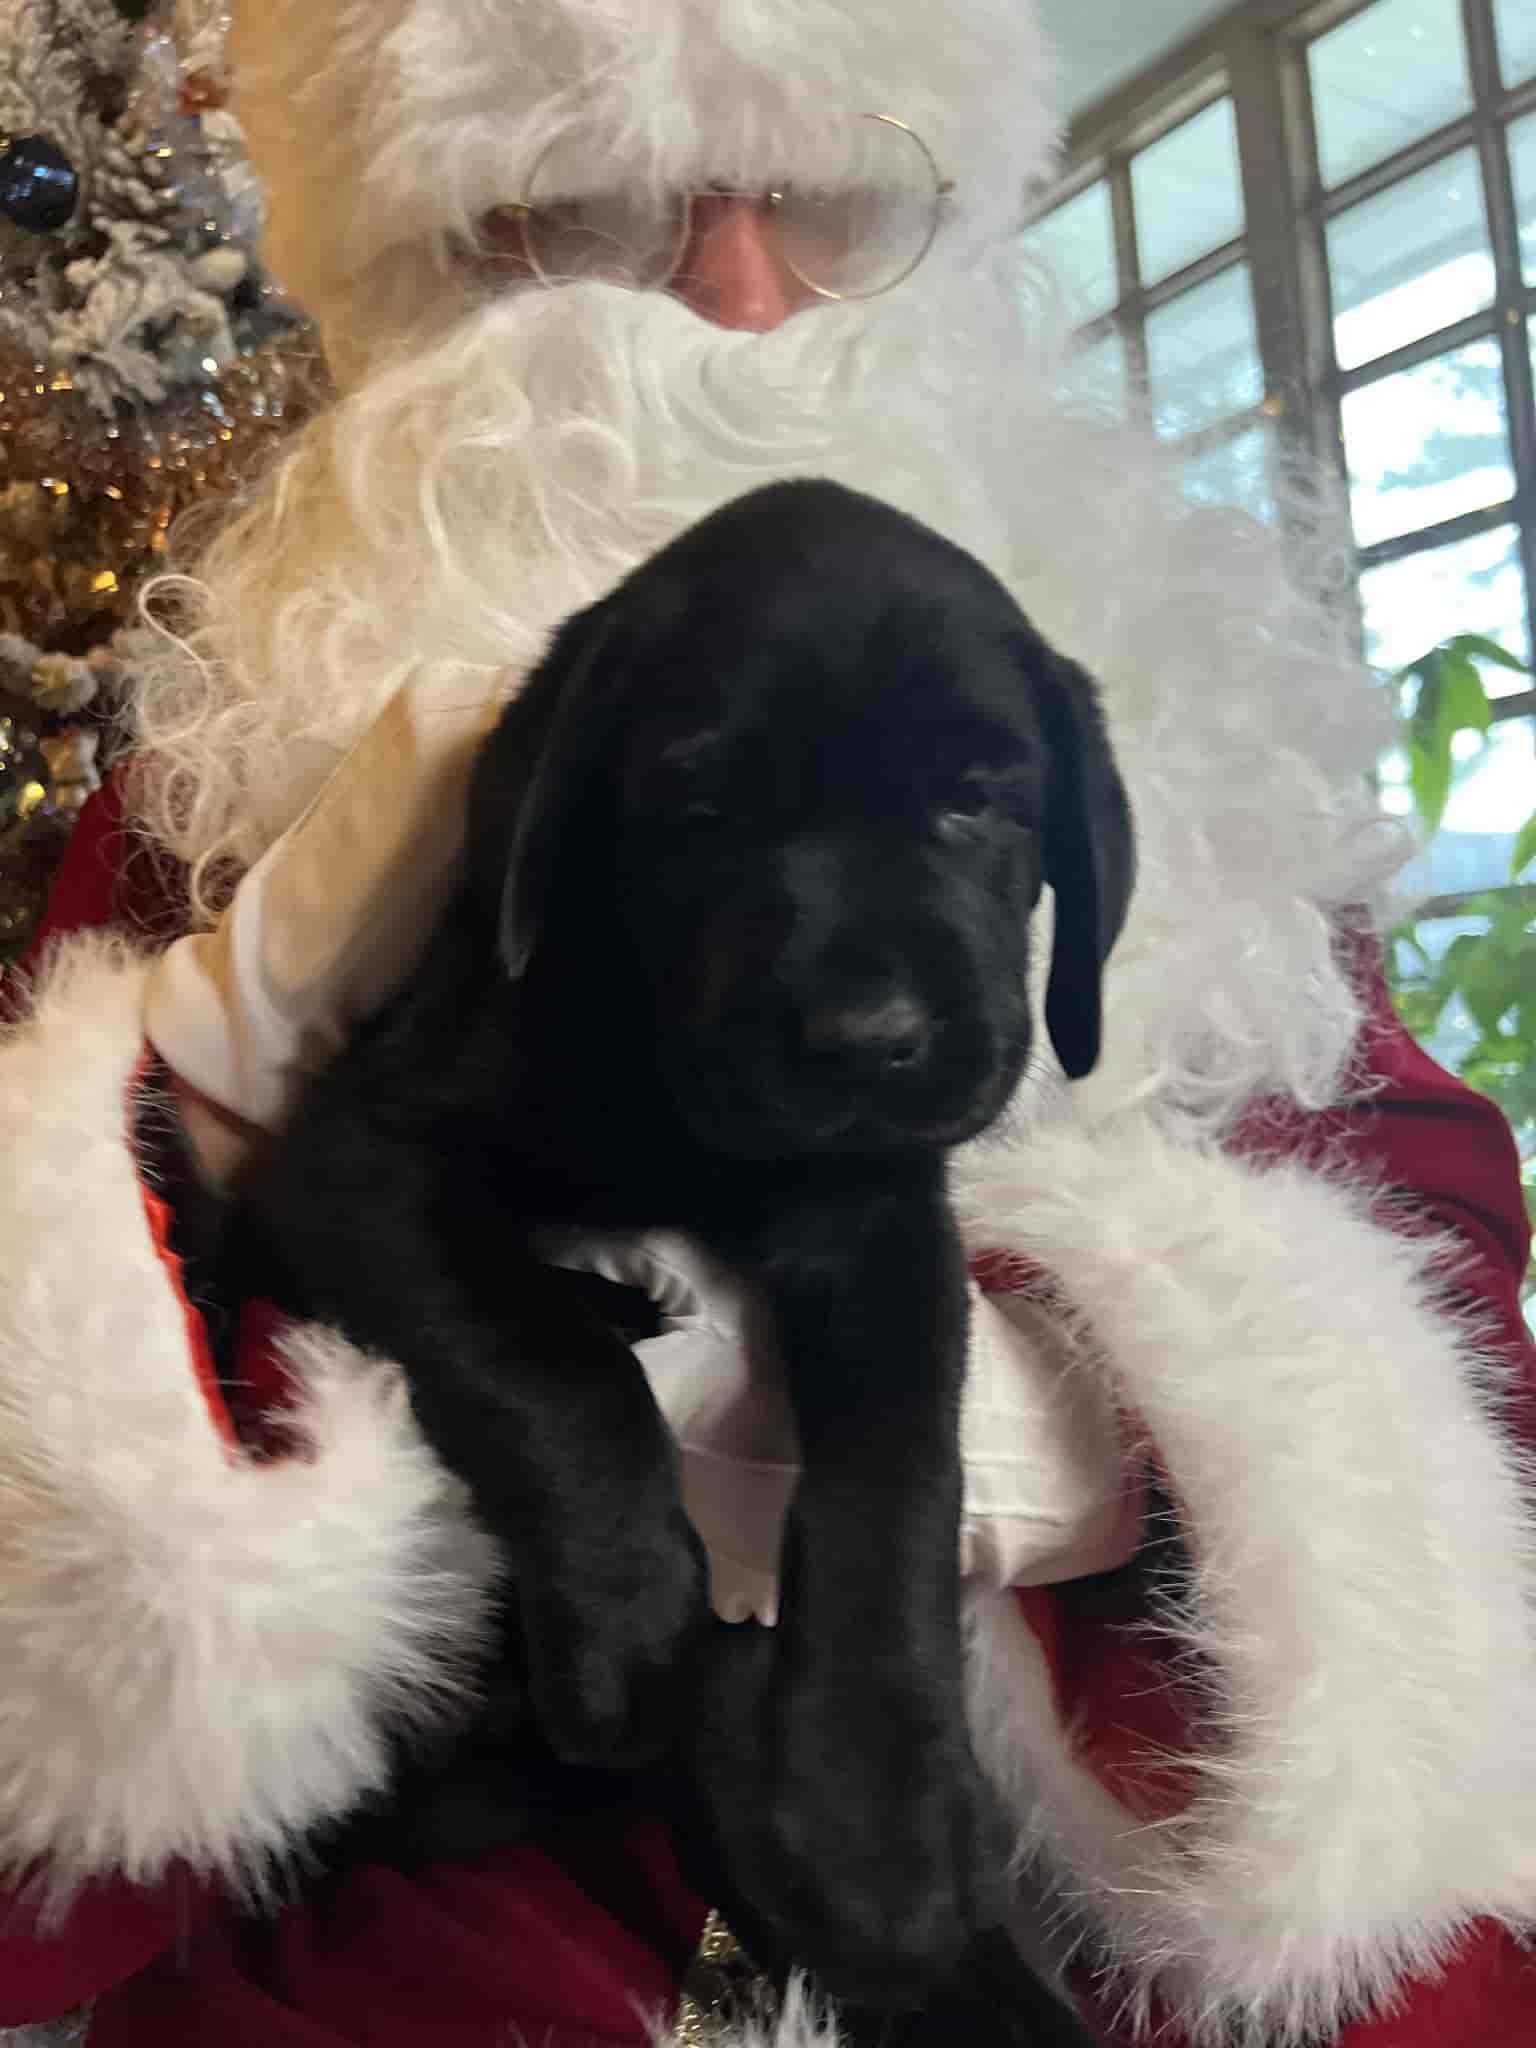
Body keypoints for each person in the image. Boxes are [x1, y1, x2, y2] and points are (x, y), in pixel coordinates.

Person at [2, 0, 1535, 2043]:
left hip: (1095, 1916)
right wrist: (190, 1093)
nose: (735, 302)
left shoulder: (1173, 742)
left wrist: (1084, 1436)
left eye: (835, 202)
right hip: (432, 1935)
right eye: (580, 210)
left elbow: (1442, 1252)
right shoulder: (218, 796)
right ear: (411, 276)